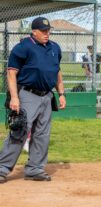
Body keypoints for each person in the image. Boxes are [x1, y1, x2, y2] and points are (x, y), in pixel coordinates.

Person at [0, 17, 66, 183]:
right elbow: (11, 73)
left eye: (48, 30)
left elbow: (57, 72)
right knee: (20, 130)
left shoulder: (54, 48)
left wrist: (62, 93)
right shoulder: (23, 47)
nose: (47, 34)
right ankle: (2, 168)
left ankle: (35, 169)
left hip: (47, 96)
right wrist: (14, 98)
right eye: (43, 31)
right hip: (27, 95)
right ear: (34, 31)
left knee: (42, 134)